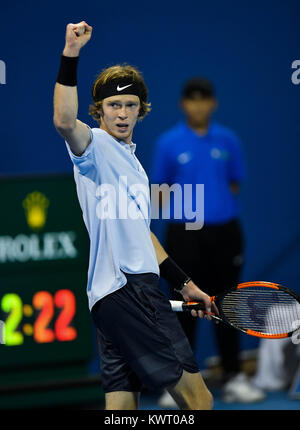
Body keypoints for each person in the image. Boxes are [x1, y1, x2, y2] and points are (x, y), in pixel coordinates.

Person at [53, 21, 217, 410]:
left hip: (107, 300)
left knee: (121, 408)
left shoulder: (135, 166)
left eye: (130, 105)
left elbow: (143, 236)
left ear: (141, 111)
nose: (122, 113)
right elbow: (63, 121)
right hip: (131, 292)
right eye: (113, 105)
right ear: (99, 111)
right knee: (200, 402)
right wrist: (70, 53)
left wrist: (183, 282)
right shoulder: (95, 148)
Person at [151, 77, 265, 405]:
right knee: (185, 307)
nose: (198, 106)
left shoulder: (228, 140)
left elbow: (234, 185)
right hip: (184, 235)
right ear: (183, 105)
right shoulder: (168, 143)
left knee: (227, 306)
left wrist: (211, 209)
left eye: (205, 100)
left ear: (213, 104)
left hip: (225, 233)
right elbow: (159, 192)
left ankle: (233, 377)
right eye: (192, 100)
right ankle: (180, 384)